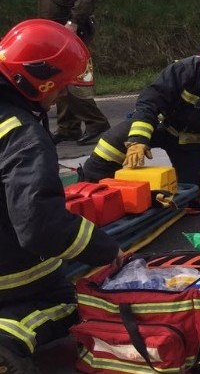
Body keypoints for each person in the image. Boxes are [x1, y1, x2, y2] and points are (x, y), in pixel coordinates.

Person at [0, 19, 123, 373]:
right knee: (75, 301)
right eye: (62, 86)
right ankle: (8, 337)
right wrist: (106, 249)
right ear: (41, 80)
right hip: (11, 277)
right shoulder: (22, 134)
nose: (60, 97)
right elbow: (40, 225)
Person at [79, 38, 200, 206]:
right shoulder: (186, 71)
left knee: (198, 194)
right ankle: (88, 185)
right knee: (111, 145)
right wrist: (138, 140)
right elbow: (150, 102)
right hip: (158, 125)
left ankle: (158, 199)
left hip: (191, 143)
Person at [36, 0, 111, 146]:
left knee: (69, 79)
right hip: (57, 31)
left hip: (69, 30)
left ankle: (97, 124)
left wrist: (74, 23)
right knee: (58, 80)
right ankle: (68, 128)